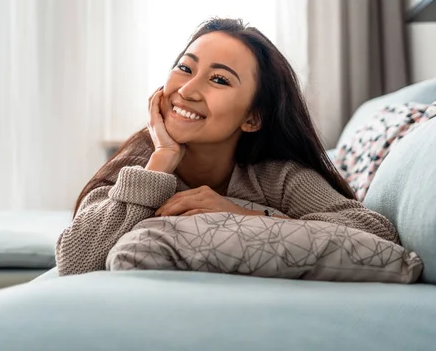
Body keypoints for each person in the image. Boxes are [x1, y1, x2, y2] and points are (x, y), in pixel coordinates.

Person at [56, 18, 398, 276]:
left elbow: (375, 233)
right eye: (184, 67)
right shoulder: (135, 167)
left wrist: (241, 215)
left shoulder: (277, 177)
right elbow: (74, 261)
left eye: (219, 79)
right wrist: (161, 161)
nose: (187, 90)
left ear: (252, 118)